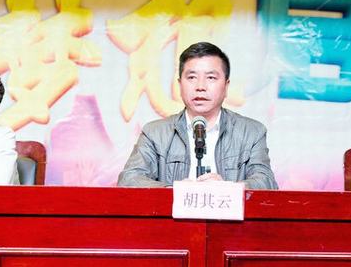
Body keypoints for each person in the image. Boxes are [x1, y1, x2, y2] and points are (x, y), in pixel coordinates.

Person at [118, 42, 278, 189]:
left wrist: (228, 189)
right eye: (192, 77)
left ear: (226, 86)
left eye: (211, 78)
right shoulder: (155, 133)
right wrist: (174, 191)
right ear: (180, 84)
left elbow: (266, 182)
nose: (200, 86)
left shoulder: (252, 132)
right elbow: (129, 179)